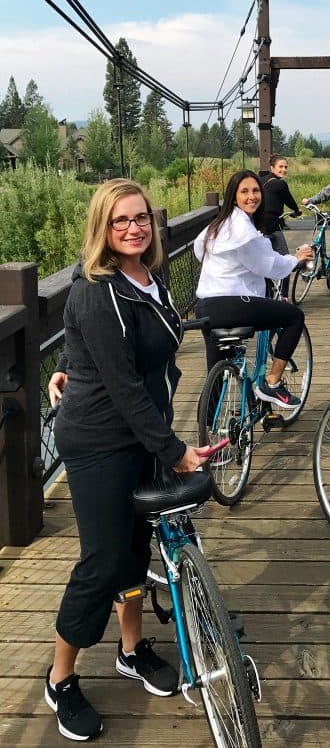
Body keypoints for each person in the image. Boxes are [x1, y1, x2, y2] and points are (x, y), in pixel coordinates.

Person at [45, 179, 212, 742]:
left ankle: (132, 648)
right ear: (102, 228)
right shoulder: (98, 289)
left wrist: (67, 358)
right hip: (97, 439)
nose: (135, 228)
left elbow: (95, 343)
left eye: (142, 218)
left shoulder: (151, 275)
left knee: (138, 549)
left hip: (142, 432)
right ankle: (60, 676)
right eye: (121, 221)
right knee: (105, 561)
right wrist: (177, 452)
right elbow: (120, 383)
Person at [194, 169, 313, 408]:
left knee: (215, 374)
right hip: (233, 305)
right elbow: (271, 266)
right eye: (244, 191)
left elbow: (199, 251)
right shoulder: (243, 229)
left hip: (205, 306)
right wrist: (296, 259)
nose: (252, 196)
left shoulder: (217, 225)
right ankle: (272, 382)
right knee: (294, 317)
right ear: (234, 196)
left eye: (256, 190)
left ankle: (208, 432)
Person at [259, 154, 301, 297]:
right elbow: (289, 201)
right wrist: (296, 211)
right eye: (280, 167)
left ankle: (267, 291)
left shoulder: (260, 181)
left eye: (285, 167)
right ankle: (284, 296)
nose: (284, 169)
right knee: (285, 261)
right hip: (272, 228)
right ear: (272, 167)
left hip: (258, 229)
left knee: (262, 262)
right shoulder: (280, 184)